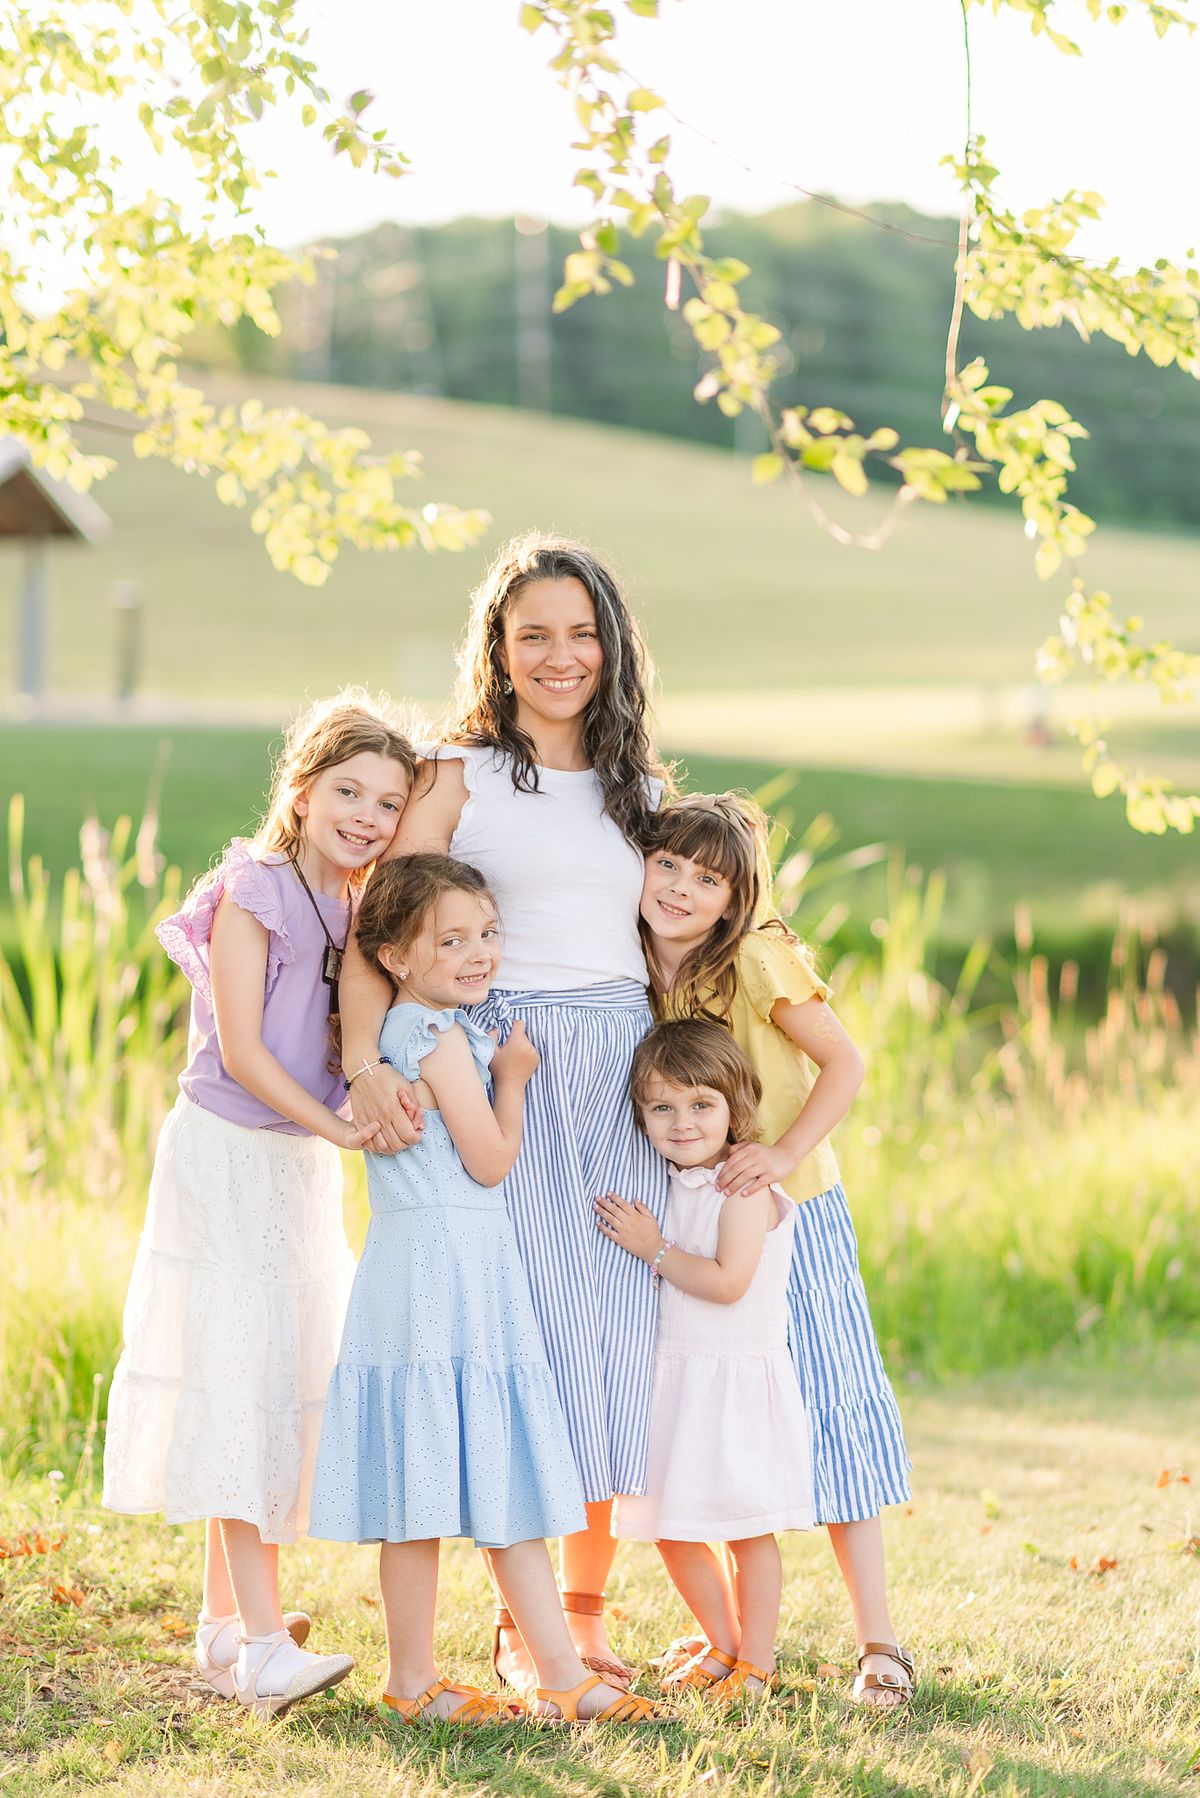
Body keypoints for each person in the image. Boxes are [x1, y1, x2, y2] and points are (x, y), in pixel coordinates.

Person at [338, 533, 669, 1693]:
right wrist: (361, 1062)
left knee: (610, 1345)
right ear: (500, 647)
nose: (560, 655)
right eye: (534, 633)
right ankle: (520, 1636)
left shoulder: (644, 793)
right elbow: (379, 927)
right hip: (501, 1058)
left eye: (582, 632)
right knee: (521, 1344)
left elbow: (683, 942)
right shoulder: (455, 775)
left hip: (616, 1067)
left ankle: (576, 1611)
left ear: (611, 644)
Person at [103, 694, 418, 1718]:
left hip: (296, 1163)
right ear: (302, 787)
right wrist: (337, 1128)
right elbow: (241, 1047)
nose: (366, 815)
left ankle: (222, 1630)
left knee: (276, 1366)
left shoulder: (363, 908)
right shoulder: (258, 889)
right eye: (348, 791)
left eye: (387, 801)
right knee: (236, 1368)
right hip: (233, 1151)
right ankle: (268, 1642)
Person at [308, 855, 675, 1727]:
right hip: (451, 1272)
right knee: (487, 1475)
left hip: (425, 1269)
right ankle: (522, 1677)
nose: (479, 954)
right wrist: (513, 1078)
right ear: (395, 957)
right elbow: (491, 1158)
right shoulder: (434, 1040)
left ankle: (446, 1679)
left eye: (488, 933)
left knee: (422, 1484)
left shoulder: (411, 1032)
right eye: (453, 940)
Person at [637, 792, 916, 1708]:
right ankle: (738, 1639)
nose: (679, 887)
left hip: (798, 1210)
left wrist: (785, 1156)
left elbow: (847, 1063)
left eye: (706, 878)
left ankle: (878, 1643)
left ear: (735, 894)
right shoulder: (640, 962)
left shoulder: (755, 956)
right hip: (706, 1208)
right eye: (666, 864)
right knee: (724, 1409)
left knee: (831, 1403)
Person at [596, 1018, 815, 1702]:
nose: (682, 1122)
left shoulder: (742, 1189)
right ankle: (720, 1640)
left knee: (745, 1528)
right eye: (662, 1107)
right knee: (671, 1523)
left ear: (734, 1106)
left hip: (733, 1382)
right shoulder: (663, 1180)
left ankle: (757, 1660)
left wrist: (653, 1250)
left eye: (701, 1105)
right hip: (676, 1381)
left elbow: (727, 1283)